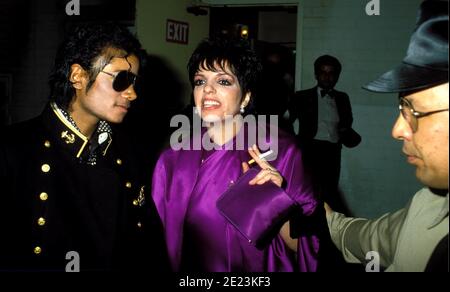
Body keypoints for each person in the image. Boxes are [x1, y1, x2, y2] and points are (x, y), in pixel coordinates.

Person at [0, 23, 168, 271]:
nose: (132, 93)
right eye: (121, 80)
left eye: (134, 82)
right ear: (78, 76)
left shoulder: (126, 152)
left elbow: (146, 247)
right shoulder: (13, 150)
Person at [151, 37, 320, 272]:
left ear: (246, 97)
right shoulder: (172, 160)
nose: (207, 89)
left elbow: (306, 246)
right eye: (200, 81)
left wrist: (276, 200)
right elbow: (159, 244)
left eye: (223, 81)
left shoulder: (280, 150)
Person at [325, 0, 448, 272]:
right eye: (401, 107)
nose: (397, 130)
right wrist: (310, 206)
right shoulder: (428, 206)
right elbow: (366, 238)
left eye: (414, 111)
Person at [288, 55, 357, 214]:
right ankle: (305, 230)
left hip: (332, 151)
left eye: (331, 73)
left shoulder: (342, 98)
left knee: (329, 192)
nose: (327, 76)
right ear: (316, 74)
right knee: (306, 191)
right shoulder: (302, 96)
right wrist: (295, 143)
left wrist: (344, 131)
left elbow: (347, 120)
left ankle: (326, 230)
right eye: (323, 72)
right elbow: (287, 120)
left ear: (337, 76)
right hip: (309, 149)